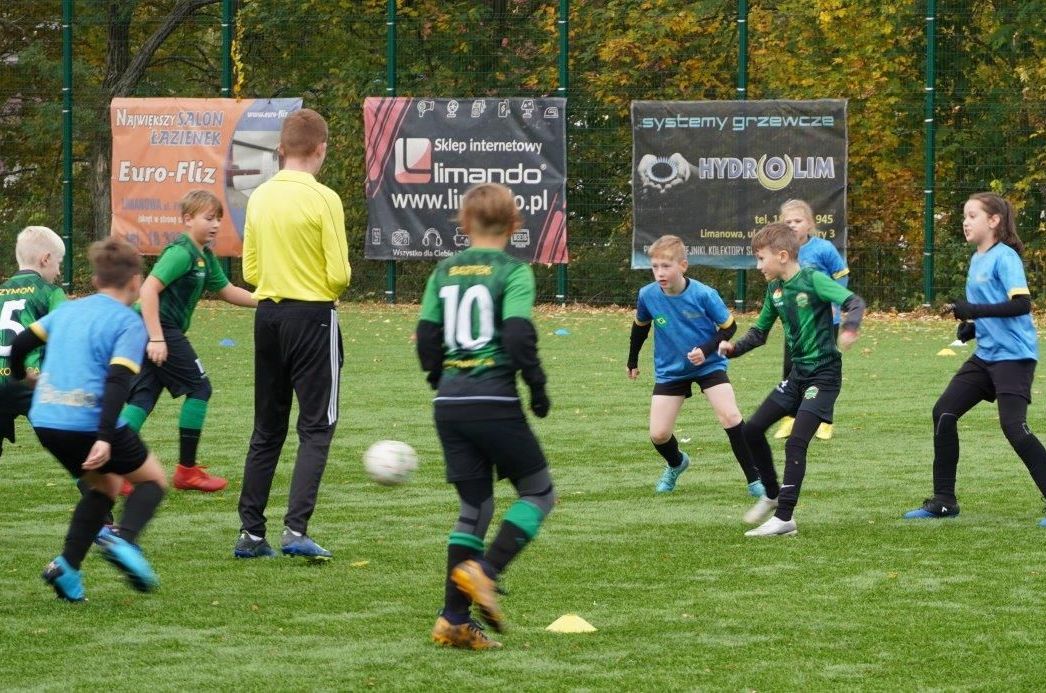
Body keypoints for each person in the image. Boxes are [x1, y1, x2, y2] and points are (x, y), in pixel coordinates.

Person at [416, 182, 555, 650]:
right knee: (539, 493)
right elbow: (516, 334)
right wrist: (536, 385)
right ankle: (487, 571)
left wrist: (440, 378)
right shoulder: (513, 272)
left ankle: (453, 619)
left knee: (475, 507)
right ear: (514, 224)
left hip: (449, 403)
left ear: (464, 223)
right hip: (494, 400)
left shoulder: (443, 270)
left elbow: (427, 335)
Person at [9, 238, 166, 600]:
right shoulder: (128, 323)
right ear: (136, 282)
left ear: (95, 281)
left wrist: (22, 376)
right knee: (153, 481)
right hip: (88, 421)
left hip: (46, 419)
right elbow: (117, 381)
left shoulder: (69, 310)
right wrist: (105, 437)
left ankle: (67, 568)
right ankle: (124, 540)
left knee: (105, 486)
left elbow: (20, 345)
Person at [234, 108, 351, 561]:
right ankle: (296, 530)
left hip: (268, 317)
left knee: (267, 427)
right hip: (313, 317)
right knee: (317, 425)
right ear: (321, 149)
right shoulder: (324, 198)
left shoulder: (260, 196)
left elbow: (250, 270)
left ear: (281, 149)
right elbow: (339, 274)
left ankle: (250, 533)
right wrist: (319, 285)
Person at [904, 193, 1046, 525]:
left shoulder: (1005, 256)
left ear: (993, 221)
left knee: (1014, 427)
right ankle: (944, 501)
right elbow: (989, 310)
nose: (965, 222)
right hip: (986, 356)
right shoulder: (976, 259)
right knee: (943, 413)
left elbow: (1022, 304)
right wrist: (972, 328)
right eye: (964, 216)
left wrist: (974, 311)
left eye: (972, 216)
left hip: (1014, 357)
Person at [719, 222, 865, 537]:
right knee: (752, 430)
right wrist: (733, 349)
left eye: (761, 258)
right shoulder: (775, 290)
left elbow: (854, 302)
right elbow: (759, 333)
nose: (758, 266)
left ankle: (784, 517)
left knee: (796, 441)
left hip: (824, 376)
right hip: (798, 376)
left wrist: (850, 328)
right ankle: (772, 494)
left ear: (782, 256)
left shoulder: (813, 280)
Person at [120, 190, 256, 494]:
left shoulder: (204, 255)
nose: (216, 224)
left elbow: (227, 291)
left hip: (150, 329)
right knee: (200, 388)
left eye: (218, 218)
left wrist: (270, 300)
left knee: (143, 397)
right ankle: (187, 472)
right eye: (209, 218)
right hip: (157, 328)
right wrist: (157, 337)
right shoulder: (181, 253)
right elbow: (148, 290)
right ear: (187, 219)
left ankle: (114, 468)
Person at [627, 234, 763, 497]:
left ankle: (755, 481)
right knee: (659, 435)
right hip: (671, 370)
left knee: (731, 416)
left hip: (709, 365)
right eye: (655, 266)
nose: (659, 273)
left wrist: (705, 350)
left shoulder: (704, 294)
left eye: (666, 266)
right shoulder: (647, 295)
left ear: (683, 266)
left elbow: (729, 327)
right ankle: (677, 463)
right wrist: (632, 360)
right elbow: (640, 327)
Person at [773, 199, 849, 441]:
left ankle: (824, 421)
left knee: (824, 370)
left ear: (809, 224)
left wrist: (835, 303)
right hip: (795, 324)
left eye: (798, 220)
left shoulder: (824, 248)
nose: (793, 225)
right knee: (791, 368)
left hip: (824, 322)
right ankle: (790, 417)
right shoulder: (781, 252)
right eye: (788, 221)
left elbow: (841, 275)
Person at [0, 226, 67, 458]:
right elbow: (64, 334)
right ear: (45, 259)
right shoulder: (50, 292)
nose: (59, 271)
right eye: (59, 262)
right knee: (68, 445)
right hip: (31, 380)